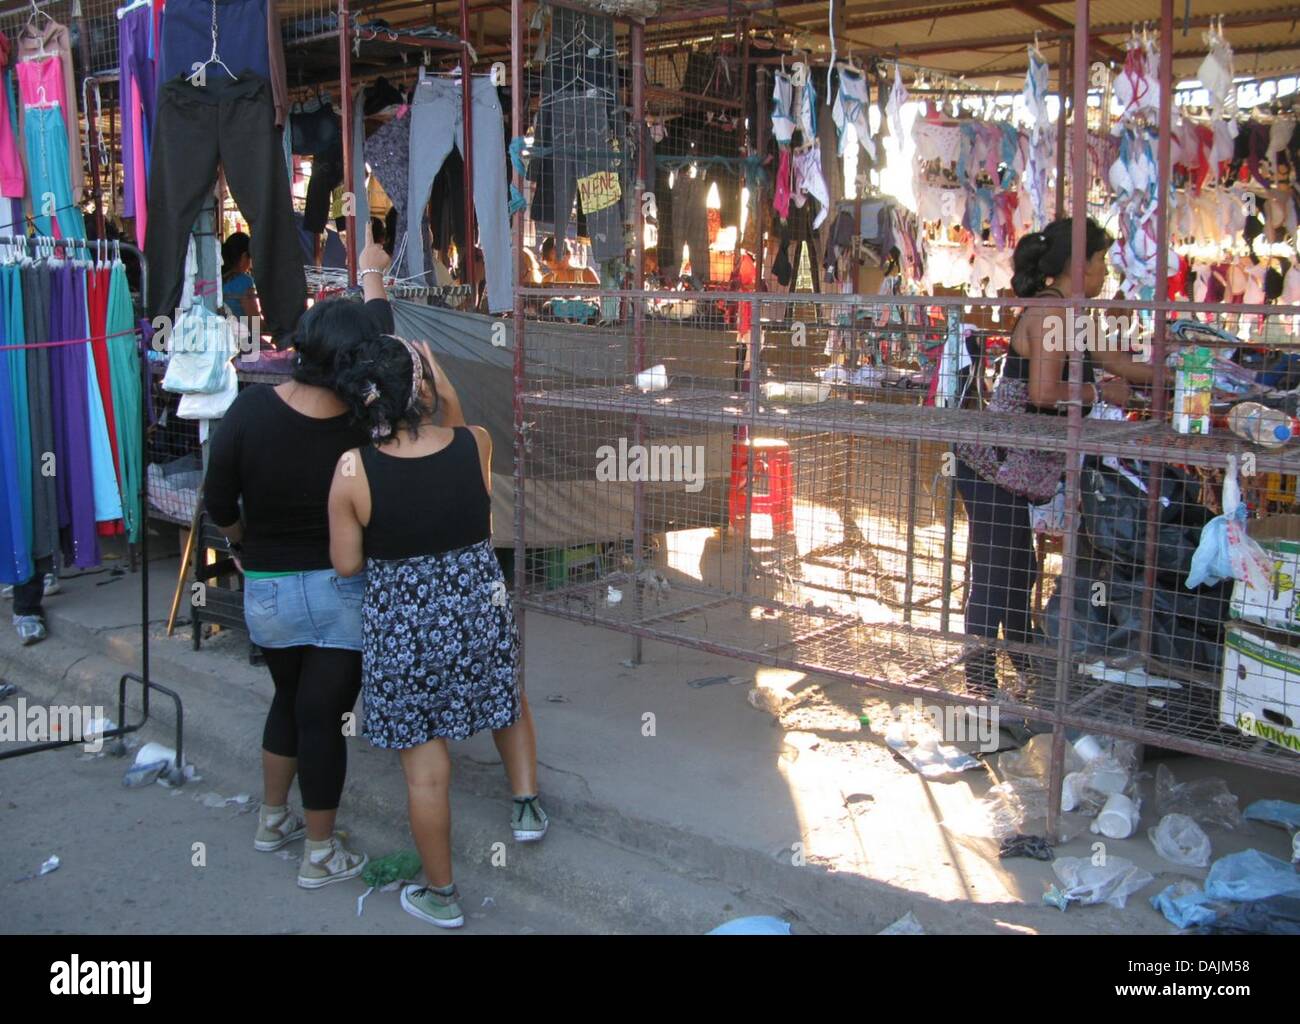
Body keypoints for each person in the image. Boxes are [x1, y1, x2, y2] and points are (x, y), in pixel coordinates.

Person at [202, 226, 439, 889]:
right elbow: (384, 341)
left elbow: (218, 499)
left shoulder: (250, 411)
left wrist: (243, 539)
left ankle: (271, 820)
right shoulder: (364, 422)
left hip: (269, 590)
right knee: (323, 720)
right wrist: (372, 276)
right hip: (341, 591)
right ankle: (320, 853)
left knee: (288, 703)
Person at [328, 332, 546, 929]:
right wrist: (443, 384)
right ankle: (527, 807)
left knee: (426, 772)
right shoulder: (473, 443)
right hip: (478, 616)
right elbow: (455, 430)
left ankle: (442, 895)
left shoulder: (352, 472)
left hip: (404, 635)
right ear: (422, 387)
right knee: (505, 697)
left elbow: (346, 564)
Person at [955, 217, 1154, 697]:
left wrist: (1182, 372)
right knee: (999, 575)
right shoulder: (1050, 316)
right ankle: (981, 685)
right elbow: (1044, 391)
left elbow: (1122, 363)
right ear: (1077, 265)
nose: (1106, 268)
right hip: (992, 464)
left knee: (1020, 568)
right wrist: (1099, 390)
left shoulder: (1076, 314)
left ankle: (1028, 668)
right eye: (1101, 259)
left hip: (1014, 467)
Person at [221, 232, 260, 321]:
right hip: (240, 334)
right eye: (250, 258)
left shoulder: (215, 278)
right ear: (244, 256)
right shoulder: (244, 282)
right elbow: (255, 326)